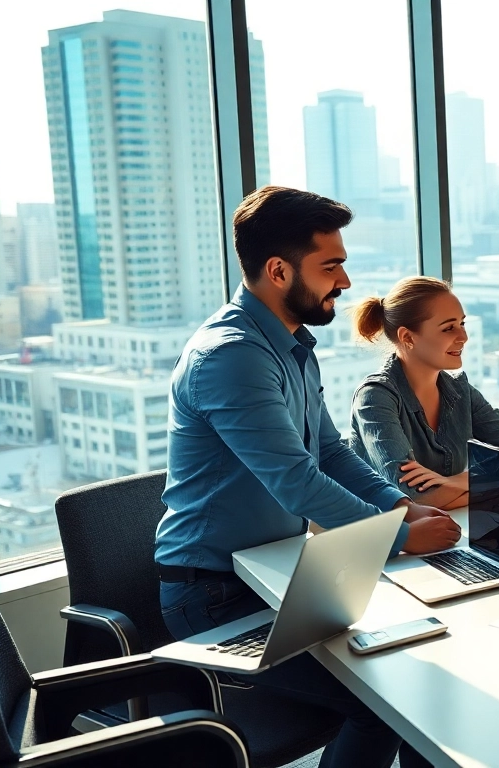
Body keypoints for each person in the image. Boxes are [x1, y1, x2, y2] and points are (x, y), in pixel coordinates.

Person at [157, 187, 457, 768]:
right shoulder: (231, 356)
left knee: (418, 658)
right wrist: (397, 536)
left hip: (280, 573)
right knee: (385, 701)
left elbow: (330, 453)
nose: (345, 281)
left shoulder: (290, 344)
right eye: (331, 266)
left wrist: (398, 506)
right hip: (214, 596)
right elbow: (296, 481)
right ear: (278, 270)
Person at [348, 276, 499, 508]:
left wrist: (460, 481)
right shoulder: (374, 398)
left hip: (450, 522)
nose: (463, 337)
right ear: (408, 337)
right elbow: (413, 497)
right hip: (386, 528)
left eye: (462, 324)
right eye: (448, 328)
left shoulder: (459, 390)